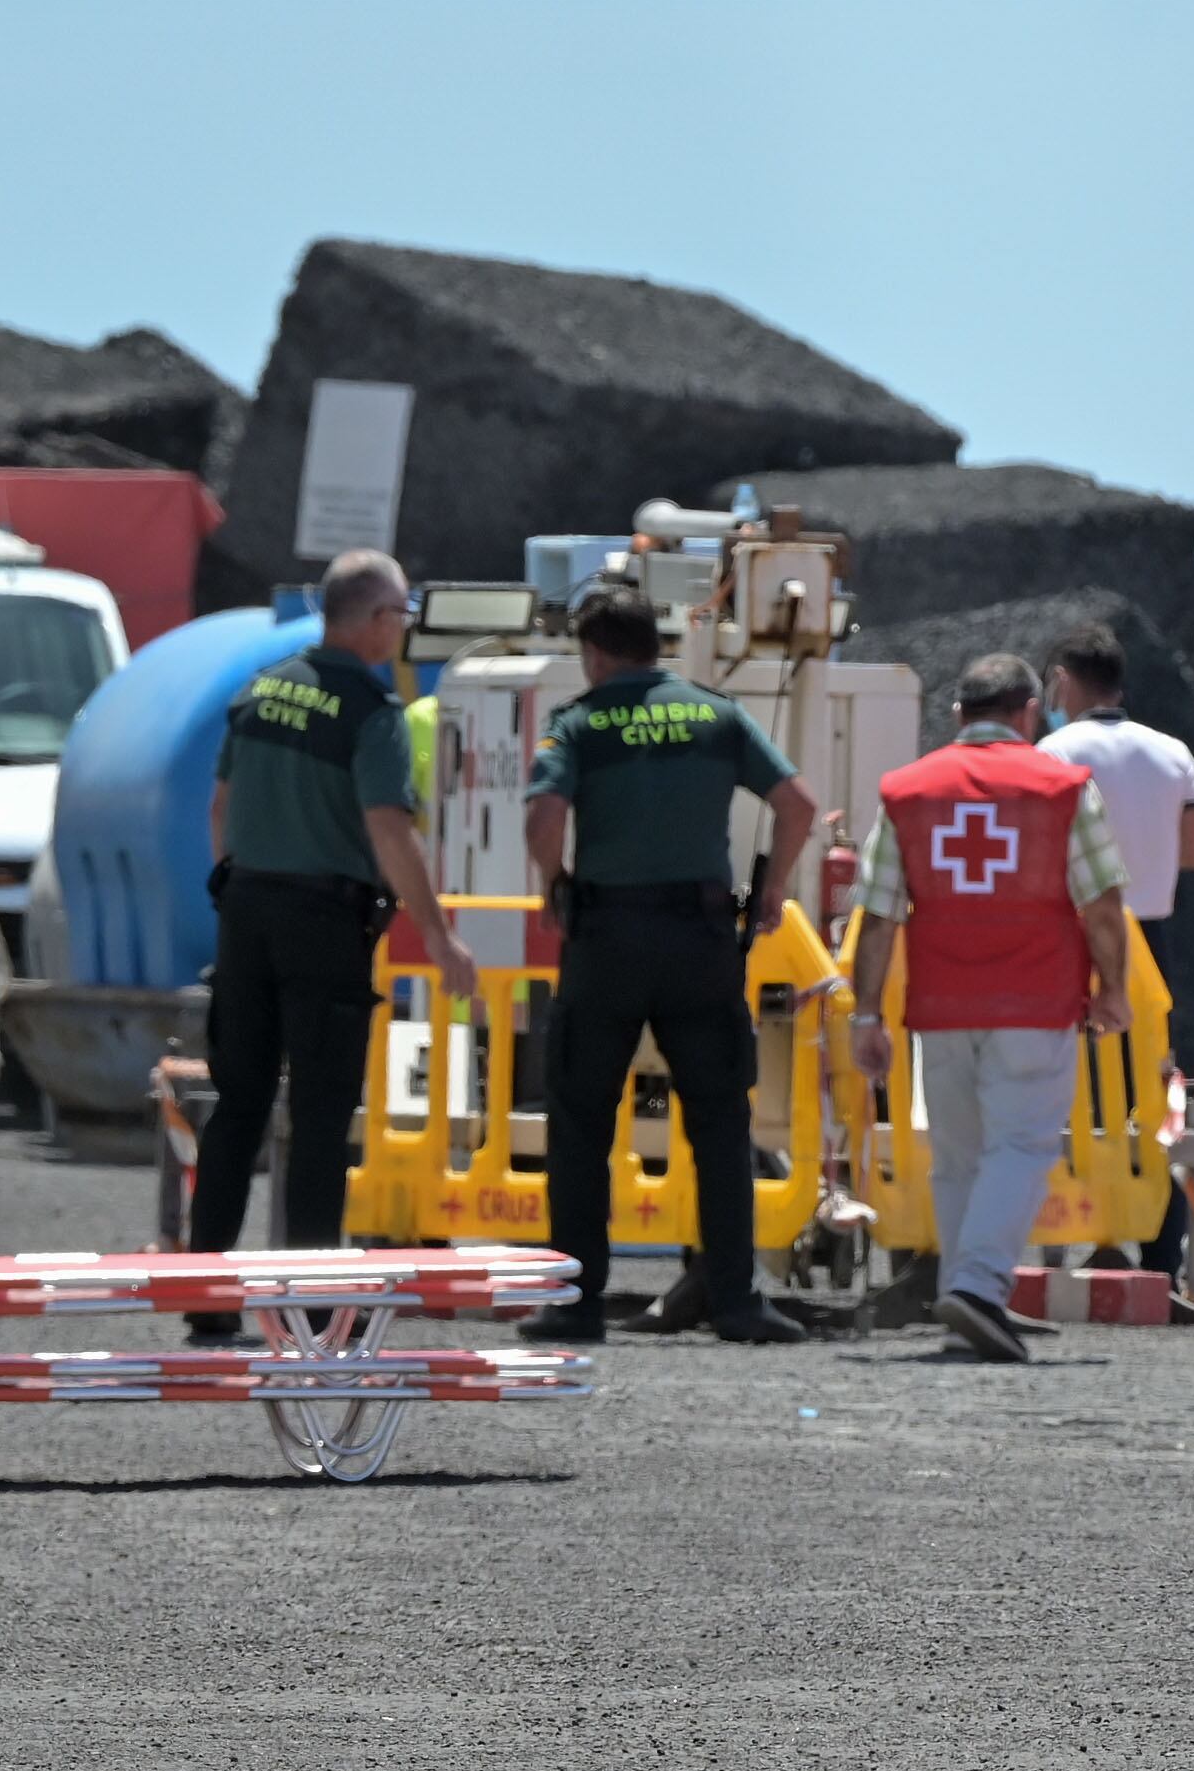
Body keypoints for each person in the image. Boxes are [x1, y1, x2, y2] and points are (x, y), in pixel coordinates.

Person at [184, 551, 479, 1345]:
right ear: (376, 619)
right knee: (318, 1116)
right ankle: (314, 1305)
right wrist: (442, 936)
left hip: (246, 912)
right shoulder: (368, 709)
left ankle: (206, 1292)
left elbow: (220, 805)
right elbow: (389, 829)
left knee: (238, 1105)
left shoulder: (260, 688)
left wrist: (234, 882)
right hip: (322, 922)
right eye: (402, 615)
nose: (405, 630)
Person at [516, 587, 818, 1345]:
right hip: (700, 940)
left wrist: (555, 880)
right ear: (657, 645)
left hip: (608, 939)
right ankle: (737, 1301)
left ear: (593, 650)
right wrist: (773, 886)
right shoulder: (716, 714)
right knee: (719, 1123)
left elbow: (543, 814)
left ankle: (579, 1301)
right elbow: (798, 805)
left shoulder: (578, 723)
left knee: (583, 1120)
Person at [848, 653, 1134, 1363]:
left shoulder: (907, 793)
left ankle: (964, 1298)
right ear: (1030, 712)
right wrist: (1114, 989)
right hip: (1033, 1001)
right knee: (1023, 1146)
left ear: (957, 716)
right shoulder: (1064, 788)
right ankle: (977, 1289)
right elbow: (1101, 906)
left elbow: (877, 916)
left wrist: (865, 1015)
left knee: (957, 1160)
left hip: (940, 1006)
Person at [1039, 620, 1194, 1278]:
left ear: (1065, 681)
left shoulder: (1054, 752)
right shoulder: (1173, 753)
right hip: (1152, 940)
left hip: (1078, 934)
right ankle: (1159, 1254)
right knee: (1153, 1096)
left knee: (1077, 1093)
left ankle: (1086, 1237)